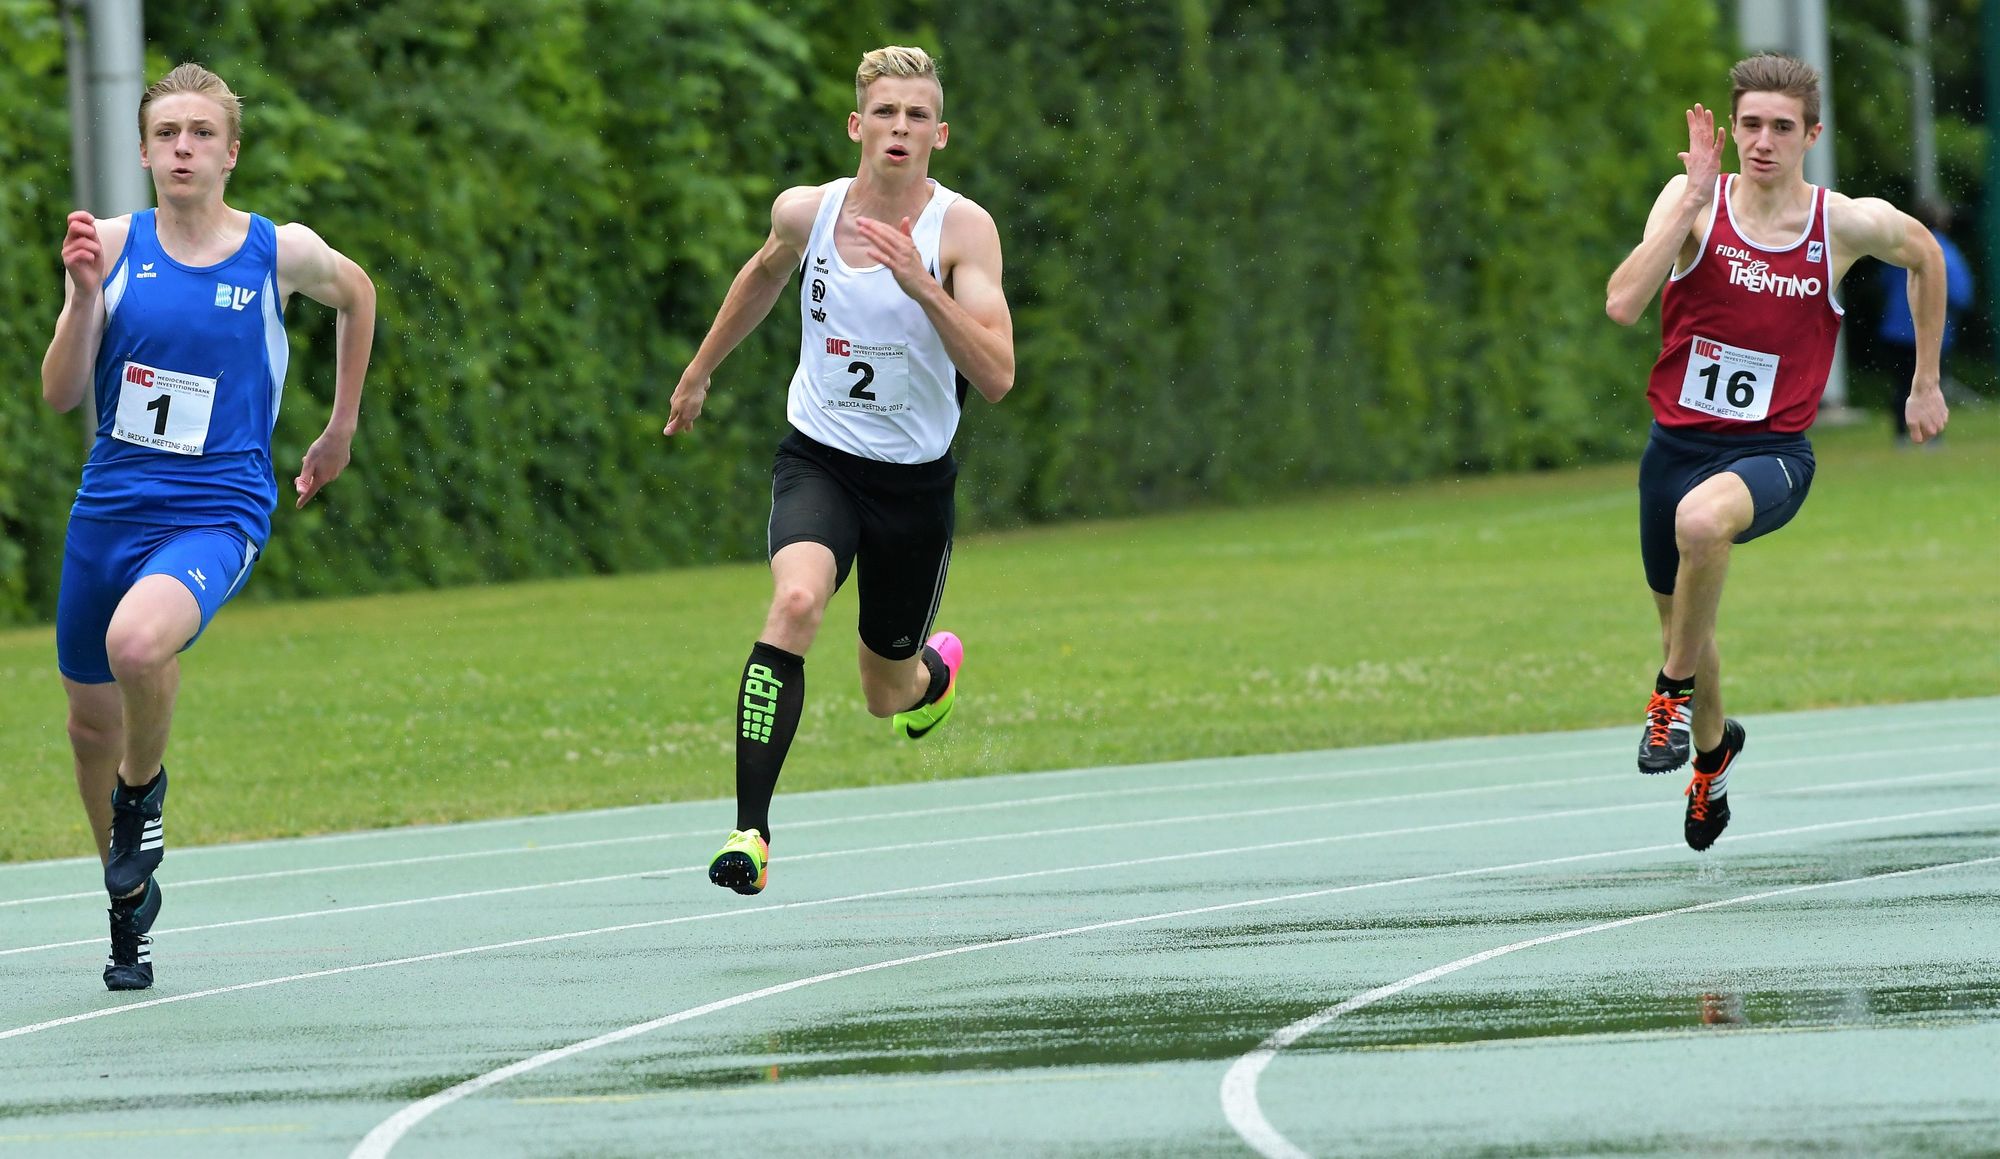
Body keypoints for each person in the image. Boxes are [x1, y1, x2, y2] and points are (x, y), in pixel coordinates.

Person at [40, 63, 376, 989]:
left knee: (137, 644)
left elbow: (358, 295)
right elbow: (60, 393)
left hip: (216, 507)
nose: (182, 148)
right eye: (166, 134)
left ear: (231, 153)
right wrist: (82, 298)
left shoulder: (279, 251)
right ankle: (127, 910)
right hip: (111, 507)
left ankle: (142, 795)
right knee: (87, 725)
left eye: (200, 134)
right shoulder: (111, 245)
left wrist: (340, 427)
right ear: (145, 152)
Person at [664, 45, 1014, 895]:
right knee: (794, 602)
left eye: (918, 115)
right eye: (885, 112)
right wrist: (699, 371)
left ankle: (931, 675)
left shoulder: (962, 231)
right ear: (858, 126)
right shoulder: (807, 212)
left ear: (939, 136)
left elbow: (998, 374)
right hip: (818, 461)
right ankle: (750, 833)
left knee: (884, 694)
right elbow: (761, 275)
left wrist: (922, 285)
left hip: (913, 488)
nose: (900, 127)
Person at [1604, 53, 1948, 851]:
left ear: (1811, 137)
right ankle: (1712, 758)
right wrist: (1691, 200)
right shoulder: (1691, 201)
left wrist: (1926, 380)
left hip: (1773, 454)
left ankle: (1667, 694)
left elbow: (1925, 255)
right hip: (1674, 448)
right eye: (1751, 125)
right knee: (1687, 624)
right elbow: (1623, 302)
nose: (1764, 141)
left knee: (1702, 526)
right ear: (1732, 129)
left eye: (1782, 128)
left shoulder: (1841, 223)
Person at [1875, 198, 1973, 443]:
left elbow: (1883, 282)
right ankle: (1932, 436)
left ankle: (1901, 436)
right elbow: (1961, 294)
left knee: (1901, 385)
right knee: (1931, 383)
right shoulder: (1943, 251)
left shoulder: (1899, 245)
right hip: (1932, 334)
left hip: (1895, 330)